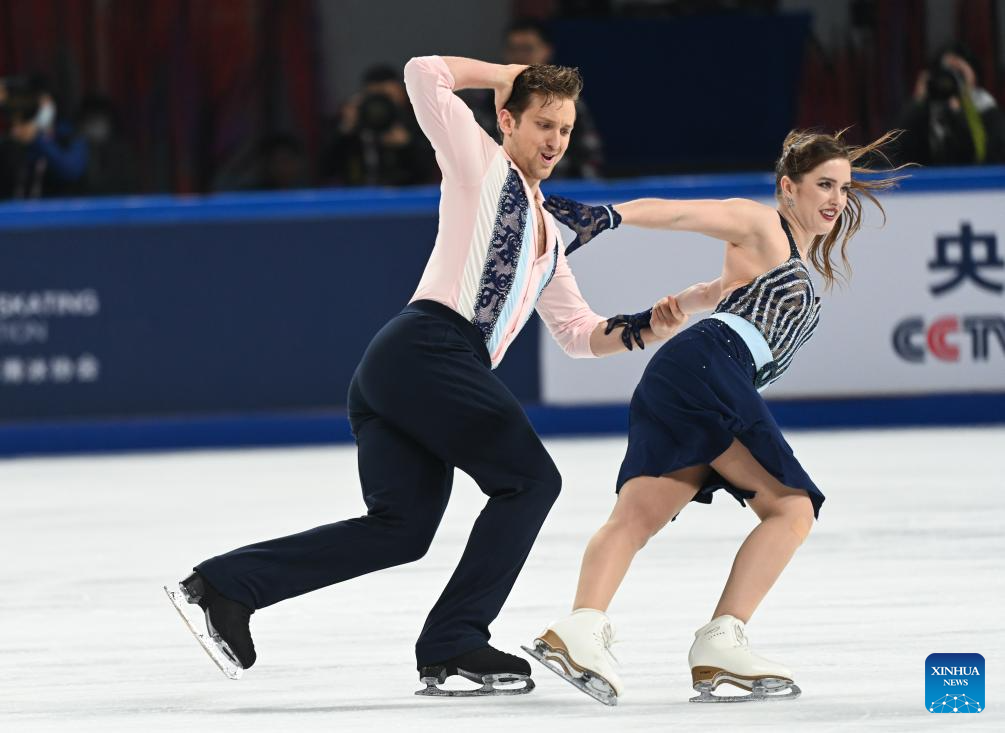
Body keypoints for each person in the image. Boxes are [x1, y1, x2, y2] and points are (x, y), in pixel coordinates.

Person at [165, 54, 688, 696]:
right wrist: (505, 74)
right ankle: (456, 638)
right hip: (430, 348)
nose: (555, 140)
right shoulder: (480, 163)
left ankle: (227, 585)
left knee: (402, 529)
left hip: (408, 370)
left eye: (565, 129)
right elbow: (421, 73)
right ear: (508, 121)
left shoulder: (551, 238)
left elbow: (579, 334)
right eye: (543, 124)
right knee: (531, 481)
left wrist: (650, 326)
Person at [524, 129, 906, 705]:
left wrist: (673, 308)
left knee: (637, 517)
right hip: (710, 368)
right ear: (789, 188)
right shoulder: (762, 225)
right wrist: (611, 216)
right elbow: (683, 214)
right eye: (824, 184)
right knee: (791, 507)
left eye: (843, 188)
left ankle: (579, 628)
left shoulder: (781, 259)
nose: (836, 199)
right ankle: (721, 641)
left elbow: (712, 294)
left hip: (685, 370)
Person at [460, 19, 604, 179]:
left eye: (527, 49)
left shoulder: (568, 103)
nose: (520, 56)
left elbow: (589, 158)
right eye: (513, 49)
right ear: (506, 121)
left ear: (546, 51)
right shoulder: (483, 101)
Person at [323, 64, 436, 186]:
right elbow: (325, 170)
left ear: (402, 94)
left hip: (406, 194)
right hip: (358, 194)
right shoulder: (353, 125)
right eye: (375, 97)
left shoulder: (418, 122)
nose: (381, 106)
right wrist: (345, 129)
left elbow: (431, 173)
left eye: (388, 97)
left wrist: (407, 144)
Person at [894, 43, 1005, 166]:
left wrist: (965, 103)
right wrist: (918, 103)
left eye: (958, 73)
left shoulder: (984, 108)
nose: (947, 82)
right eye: (944, 73)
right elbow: (896, 153)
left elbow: (990, 153)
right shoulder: (921, 112)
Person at [0, 76, 88, 199]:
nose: (42, 106)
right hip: (15, 209)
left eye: (45, 101)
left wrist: (37, 139)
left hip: (58, 208)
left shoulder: (69, 134)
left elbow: (71, 170)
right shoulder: (12, 141)